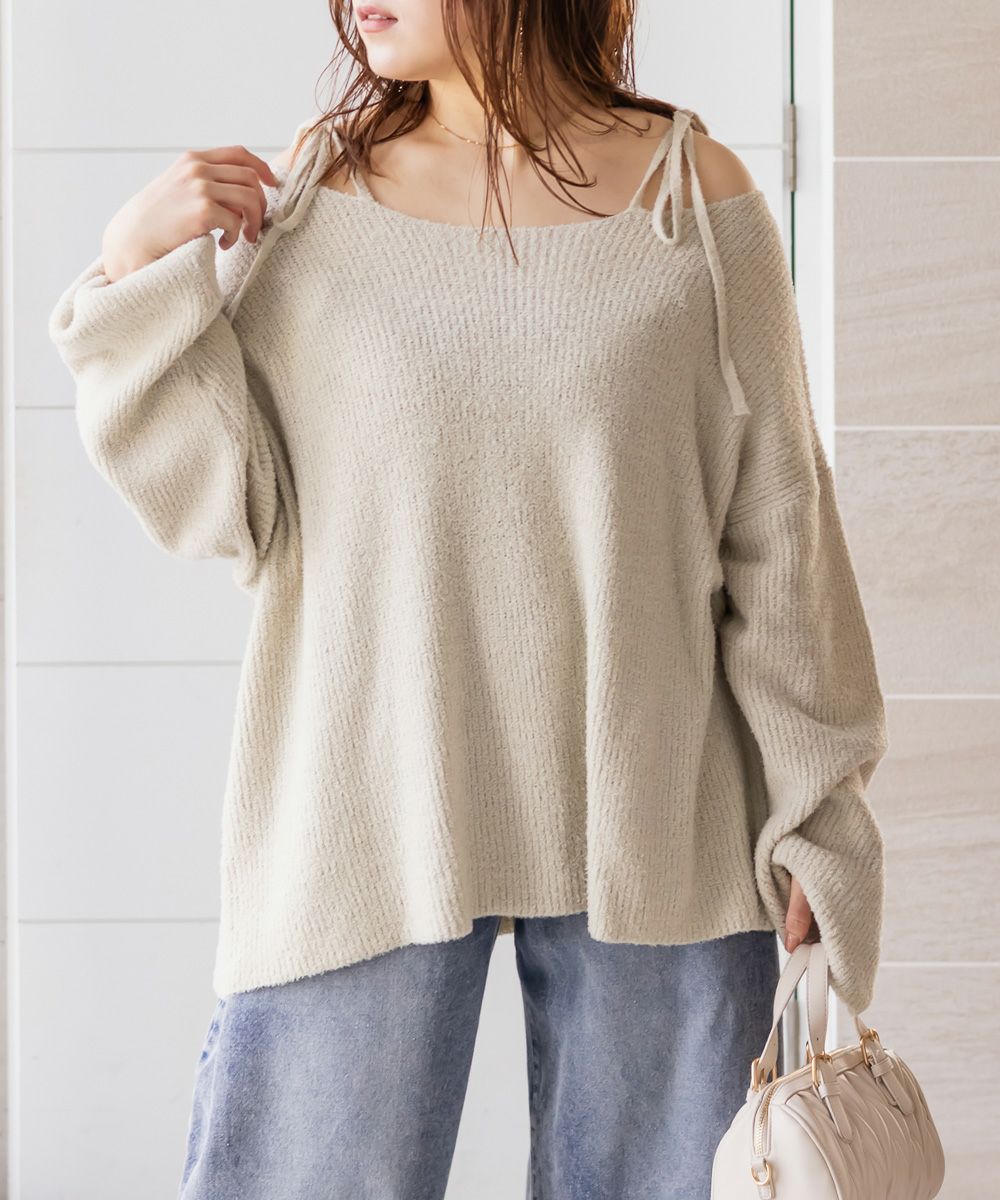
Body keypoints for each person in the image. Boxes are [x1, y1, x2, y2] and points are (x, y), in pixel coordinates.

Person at [47, 2, 890, 1198]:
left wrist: (819, 810)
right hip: (362, 814)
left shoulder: (693, 201)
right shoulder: (320, 196)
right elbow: (226, 507)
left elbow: (781, 538)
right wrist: (131, 273)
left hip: (661, 820)